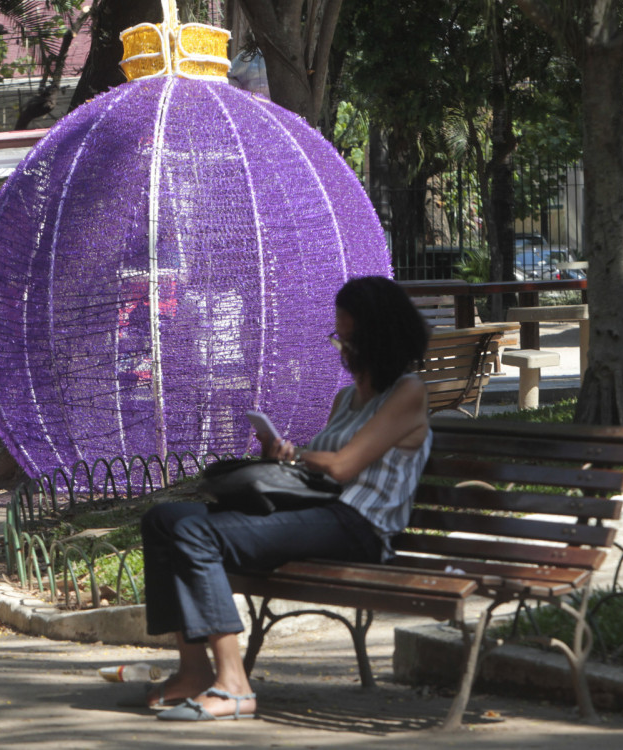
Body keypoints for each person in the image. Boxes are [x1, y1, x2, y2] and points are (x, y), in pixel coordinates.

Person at [138, 276, 432, 722]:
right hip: (319, 511)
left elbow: (343, 467)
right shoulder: (346, 399)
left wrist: (301, 454)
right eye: (339, 337)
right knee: (163, 519)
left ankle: (234, 686)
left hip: (360, 527)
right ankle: (194, 672)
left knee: (197, 533)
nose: (343, 348)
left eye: (348, 337)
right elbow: (320, 472)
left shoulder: (408, 393)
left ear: (378, 337)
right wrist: (279, 456)